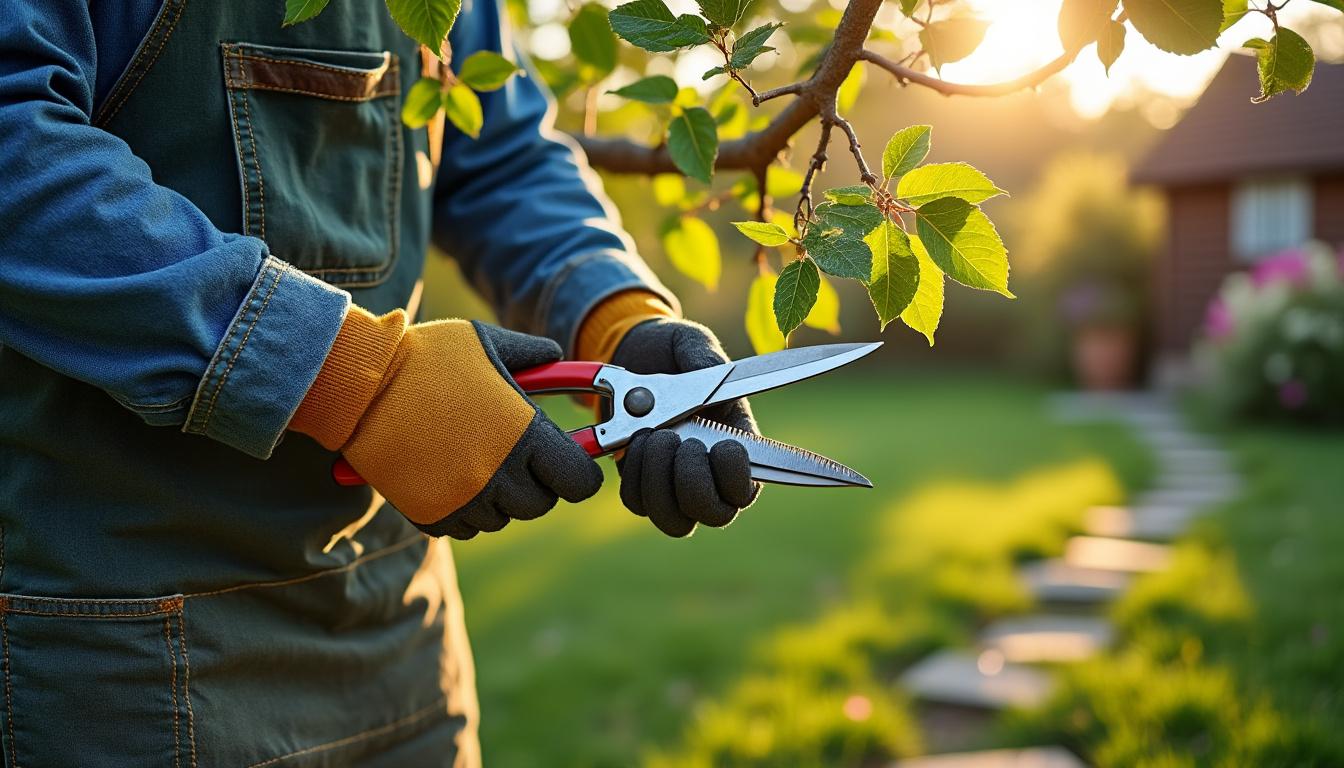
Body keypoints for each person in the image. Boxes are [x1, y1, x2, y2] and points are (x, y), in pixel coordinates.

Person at [0, 0, 760, 763]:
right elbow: (14, 146)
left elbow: (499, 154)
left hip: (403, 631)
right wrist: (359, 380)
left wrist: (616, 319)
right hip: (126, 656)